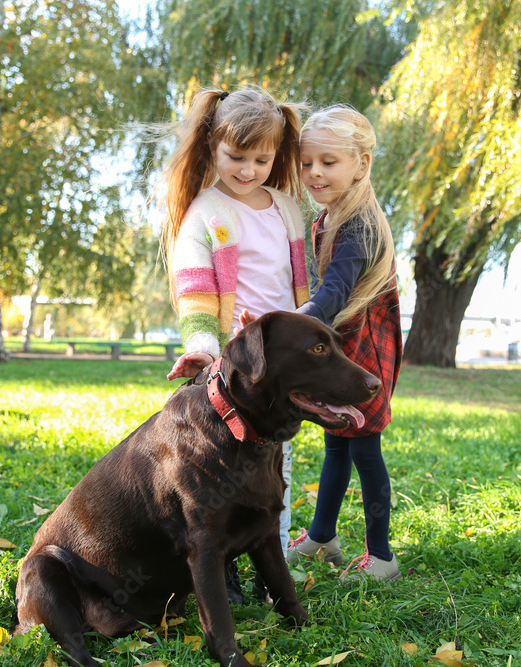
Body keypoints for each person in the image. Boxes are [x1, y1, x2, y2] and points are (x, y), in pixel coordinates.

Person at [160, 86, 309, 601]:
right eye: (235, 157)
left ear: (277, 155)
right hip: (233, 365)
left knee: (275, 467)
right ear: (212, 148)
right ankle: (219, 570)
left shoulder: (288, 210)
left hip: (280, 363)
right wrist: (204, 346)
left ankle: (276, 572)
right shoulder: (205, 214)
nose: (247, 170)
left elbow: (300, 283)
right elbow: (196, 290)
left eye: (261, 159)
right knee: (217, 468)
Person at [287, 105, 403, 581]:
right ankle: (322, 538)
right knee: (338, 442)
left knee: (365, 452)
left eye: (328, 162)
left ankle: (381, 558)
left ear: (362, 163)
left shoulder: (358, 224)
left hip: (365, 351)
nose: (314, 172)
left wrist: (293, 323)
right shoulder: (331, 215)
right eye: (307, 161)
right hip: (347, 343)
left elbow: (333, 291)